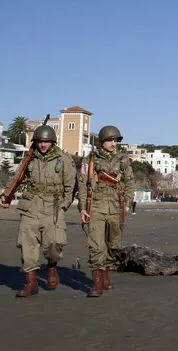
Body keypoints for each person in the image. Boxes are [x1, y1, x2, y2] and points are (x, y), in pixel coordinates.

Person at [0, 125, 76, 297]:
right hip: (30, 206)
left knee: (54, 245)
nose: (42, 145)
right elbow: (17, 178)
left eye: (46, 142)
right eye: (40, 142)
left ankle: (51, 266)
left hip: (53, 207)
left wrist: (63, 206)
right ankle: (31, 283)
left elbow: (70, 187)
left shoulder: (63, 159)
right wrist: (6, 195)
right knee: (28, 248)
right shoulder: (29, 158)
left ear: (53, 142)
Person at [77, 125, 134, 298]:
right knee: (96, 245)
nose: (113, 143)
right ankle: (96, 283)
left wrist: (127, 203)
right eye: (110, 140)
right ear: (102, 141)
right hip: (96, 206)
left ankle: (106, 275)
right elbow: (82, 184)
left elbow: (130, 183)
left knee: (113, 245)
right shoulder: (90, 160)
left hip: (116, 207)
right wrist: (82, 208)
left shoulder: (123, 159)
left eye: (115, 140)